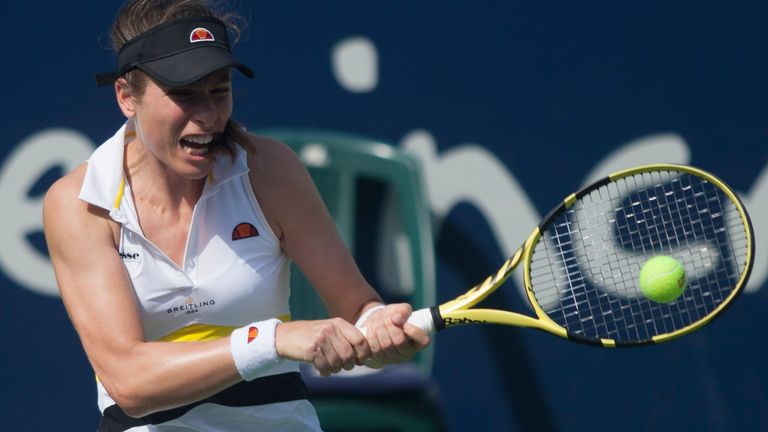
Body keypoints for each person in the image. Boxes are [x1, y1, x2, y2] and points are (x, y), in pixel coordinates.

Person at [43, 0, 430, 430]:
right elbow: (128, 382)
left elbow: (357, 306)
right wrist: (272, 339)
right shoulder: (80, 204)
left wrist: (379, 329)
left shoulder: (271, 170)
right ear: (126, 97)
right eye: (184, 95)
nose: (208, 117)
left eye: (219, 91)